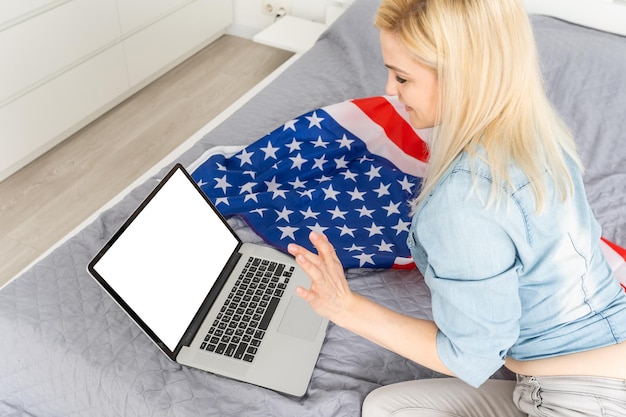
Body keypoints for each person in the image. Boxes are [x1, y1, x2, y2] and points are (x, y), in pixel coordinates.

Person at [286, 0, 626, 415]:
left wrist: (344, 307)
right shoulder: (538, 130)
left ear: (461, 78)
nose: (389, 89)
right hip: (603, 355)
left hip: (583, 397)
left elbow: (471, 357)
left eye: (402, 77)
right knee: (388, 406)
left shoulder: (463, 201)